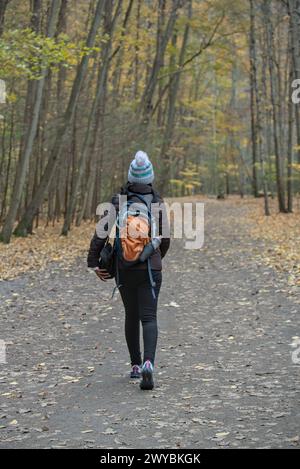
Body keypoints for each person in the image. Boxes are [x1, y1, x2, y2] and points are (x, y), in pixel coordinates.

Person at [87, 151, 170, 390]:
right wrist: (154, 260)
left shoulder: (119, 201)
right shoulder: (156, 201)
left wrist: (94, 263)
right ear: (150, 177)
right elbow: (165, 239)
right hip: (149, 269)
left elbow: (101, 233)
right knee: (149, 317)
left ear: (131, 176)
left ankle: (134, 366)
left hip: (124, 268)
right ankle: (148, 364)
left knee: (131, 316)